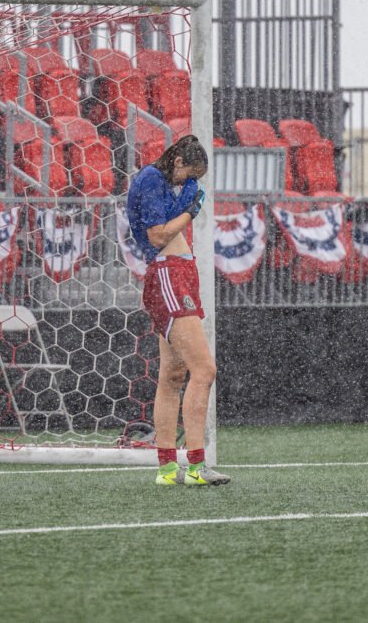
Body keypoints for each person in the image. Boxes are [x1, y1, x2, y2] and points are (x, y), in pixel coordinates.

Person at [126, 135, 230, 486]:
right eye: (188, 173)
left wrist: (187, 201)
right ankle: (198, 467)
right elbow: (158, 236)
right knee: (205, 370)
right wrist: (190, 210)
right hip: (169, 274)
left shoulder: (166, 181)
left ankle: (168, 469)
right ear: (177, 160)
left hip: (178, 273)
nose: (188, 181)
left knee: (172, 377)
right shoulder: (153, 179)